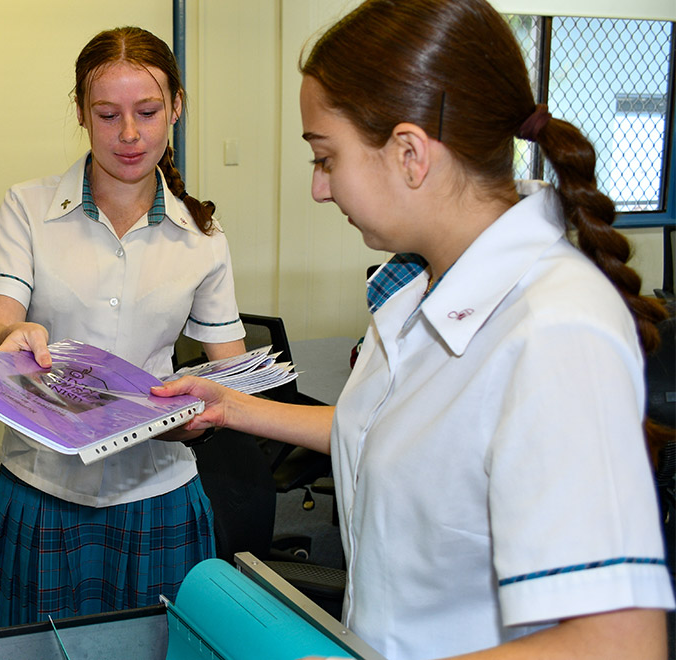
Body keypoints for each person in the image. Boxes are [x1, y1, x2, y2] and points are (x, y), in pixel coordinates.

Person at [155, 1, 674, 658]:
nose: (319, 188)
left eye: (325, 157)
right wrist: (230, 407)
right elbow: (383, 431)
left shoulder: (554, 330)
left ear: (409, 154)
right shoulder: (416, 292)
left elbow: (619, 644)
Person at [0, 26, 248, 628]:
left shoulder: (203, 238)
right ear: (80, 112)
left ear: (176, 107)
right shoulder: (28, 208)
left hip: (158, 487)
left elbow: (231, 373)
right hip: (45, 484)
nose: (128, 134)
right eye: (107, 114)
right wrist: (9, 340)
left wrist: (202, 418)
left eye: (147, 112)